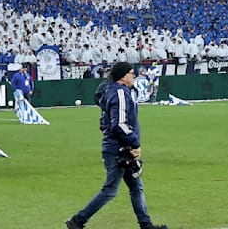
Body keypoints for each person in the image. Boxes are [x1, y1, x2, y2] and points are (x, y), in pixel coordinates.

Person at [65, 62, 167, 229]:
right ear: (123, 76)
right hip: (118, 149)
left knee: (136, 188)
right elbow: (119, 124)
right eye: (131, 73)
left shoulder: (114, 91)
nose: (134, 76)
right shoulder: (119, 93)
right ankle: (78, 220)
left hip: (121, 147)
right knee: (111, 189)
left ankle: (146, 225)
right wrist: (135, 143)